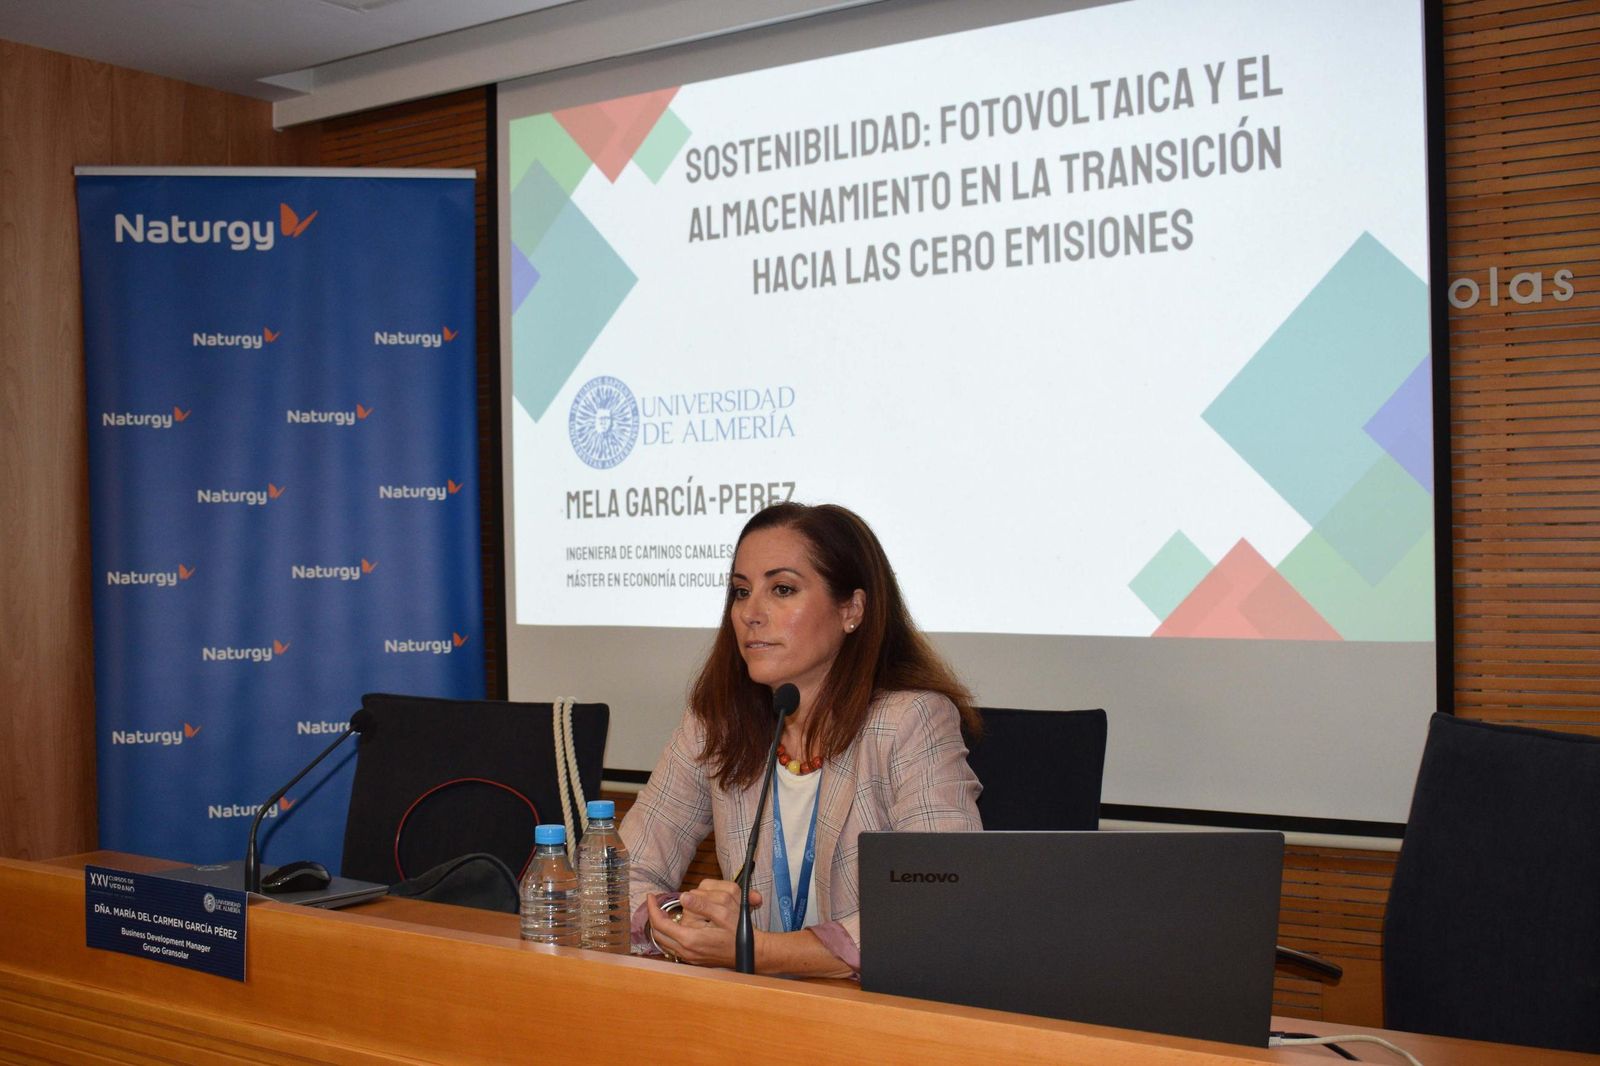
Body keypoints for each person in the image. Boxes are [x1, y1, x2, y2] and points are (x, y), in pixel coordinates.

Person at [619, 501, 982, 977]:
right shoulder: (716, 724)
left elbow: (941, 905)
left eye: (782, 589)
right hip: (751, 1013)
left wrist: (757, 950)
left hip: (872, 1019)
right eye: (741, 591)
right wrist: (678, 921)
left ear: (851, 609)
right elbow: (617, 874)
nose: (751, 613)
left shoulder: (910, 721)